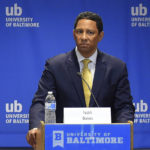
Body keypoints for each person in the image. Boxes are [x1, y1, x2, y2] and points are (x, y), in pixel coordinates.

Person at [26, 11, 135, 148]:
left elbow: (124, 106)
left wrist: (123, 131)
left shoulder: (116, 67)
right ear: (73, 34)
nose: (83, 37)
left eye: (90, 32)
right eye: (79, 32)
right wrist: (37, 127)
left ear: (100, 36)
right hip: (64, 142)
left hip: (104, 140)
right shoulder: (55, 66)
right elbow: (41, 101)